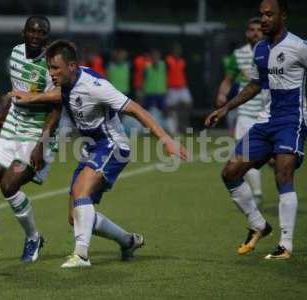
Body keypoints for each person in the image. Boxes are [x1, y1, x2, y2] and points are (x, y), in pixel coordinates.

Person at [10, 40, 188, 268]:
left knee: (81, 192)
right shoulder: (67, 81)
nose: (51, 73)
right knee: (76, 218)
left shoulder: (95, 85)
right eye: (49, 68)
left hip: (113, 145)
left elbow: (135, 109)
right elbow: (60, 95)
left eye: (56, 68)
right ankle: (128, 241)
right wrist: (32, 97)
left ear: (72, 66)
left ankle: (81, 255)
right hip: (92, 148)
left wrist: (166, 140)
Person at [205, 0, 307, 260]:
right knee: (230, 172)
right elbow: (254, 85)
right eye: (261, 14)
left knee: (283, 174)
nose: (263, 19)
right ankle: (259, 224)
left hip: (291, 119)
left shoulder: (298, 46)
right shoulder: (261, 49)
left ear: (283, 16)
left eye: (269, 14)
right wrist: (226, 108)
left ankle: (285, 245)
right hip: (265, 121)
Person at [0, 16, 61, 264]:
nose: (35, 36)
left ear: (47, 37)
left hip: (36, 134)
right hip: (12, 128)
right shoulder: (15, 53)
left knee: (9, 185)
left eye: (41, 32)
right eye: (31, 31)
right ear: (23, 32)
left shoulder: (51, 65)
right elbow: (15, 90)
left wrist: (42, 144)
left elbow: (57, 106)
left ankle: (33, 237)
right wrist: (1, 115)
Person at [216, 18, 266, 205]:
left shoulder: (272, 52)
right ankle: (258, 193)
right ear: (247, 33)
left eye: (259, 30)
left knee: (273, 159)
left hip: (267, 112)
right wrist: (222, 94)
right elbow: (228, 79)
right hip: (245, 113)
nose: (255, 33)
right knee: (245, 154)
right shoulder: (238, 55)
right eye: (252, 30)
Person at [165, 43, 193, 134]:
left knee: (188, 104)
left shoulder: (182, 61)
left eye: (179, 50)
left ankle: (183, 126)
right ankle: (173, 128)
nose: (177, 51)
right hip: (172, 88)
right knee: (171, 108)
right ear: (172, 51)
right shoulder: (168, 60)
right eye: (175, 49)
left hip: (182, 87)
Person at [142, 49, 168, 128]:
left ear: (159, 56)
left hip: (161, 93)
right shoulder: (147, 66)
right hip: (149, 93)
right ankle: (145, 129)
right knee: (145, 113)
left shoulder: (163, 65)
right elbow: (143, 78)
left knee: (164, 113)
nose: (155, 57)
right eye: (153, 56)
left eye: (157, 56)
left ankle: (166, 128)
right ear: (151, 57)